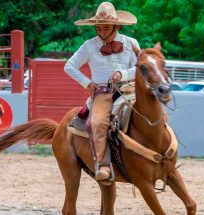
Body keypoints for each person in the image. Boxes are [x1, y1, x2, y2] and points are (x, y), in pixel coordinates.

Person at [64, 2, 140, 184]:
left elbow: (141, 67)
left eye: (106, 27)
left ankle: (162, 153)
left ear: (117, 26)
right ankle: (103, 165)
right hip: (103, 93)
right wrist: (87, 83)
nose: (102, 31)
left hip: (130, 90)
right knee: (97, 122)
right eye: (98, 27)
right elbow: (69, 66)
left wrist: (123, 74)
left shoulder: (131, 43)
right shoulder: (89, 46)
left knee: (154, 110)